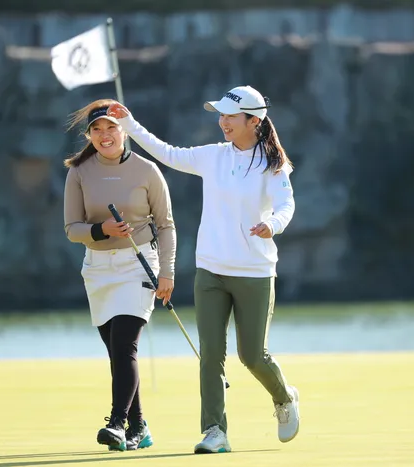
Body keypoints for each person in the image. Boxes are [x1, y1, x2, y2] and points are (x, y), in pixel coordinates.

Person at [107, 85, 300, 454]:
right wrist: (129, 124)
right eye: (221, 115)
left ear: (253, 121)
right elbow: (167, 153)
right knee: (211, 354)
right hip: (210, 269)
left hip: (255, 271)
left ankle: (284, 396)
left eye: (230, 116)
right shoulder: (213, 156)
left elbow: (286, 205)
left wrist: (272, 224)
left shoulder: (272, 164)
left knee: (252, 356)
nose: (223, 121)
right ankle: (215, 431)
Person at [62, 99, 177, 452]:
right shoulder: (79, 171)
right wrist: (102, 230)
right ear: (89, 135)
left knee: (125, 346)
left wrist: (168, 272)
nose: (105, 135)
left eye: (111, 127)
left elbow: (166, 225)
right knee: (118, 353)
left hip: (138, 264)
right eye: (97, 129)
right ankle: (139, 427)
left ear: (124, 129)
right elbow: (72, 228)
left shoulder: (147, 170)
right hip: (97, 269)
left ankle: (116, 423)